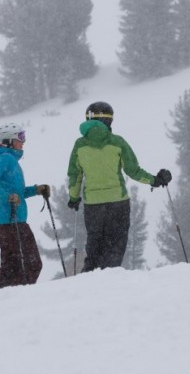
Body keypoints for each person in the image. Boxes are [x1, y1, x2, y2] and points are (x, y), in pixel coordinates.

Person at [67, 101, 172, 272]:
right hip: (118, 203)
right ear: (109, 121)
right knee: (115, 247)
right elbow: (133, 171)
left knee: (94, 247)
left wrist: (73, 198)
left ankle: (88, 280)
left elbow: (74, 175)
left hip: (93, 205)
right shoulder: (117, 142)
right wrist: (154, 180)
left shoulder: (80, 145)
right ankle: (109, 280)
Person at [0, 122, 48, 289]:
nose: (23, 141)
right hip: (9, 219)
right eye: (20, 137)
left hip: (14, 218)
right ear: (8, 141)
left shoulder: (11, 160)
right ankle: (0, 294)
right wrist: (6, 197)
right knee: (26, 263)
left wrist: (36, 190)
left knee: (16, 264)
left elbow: (17, 193)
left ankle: (6, 294)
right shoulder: (5, 159)